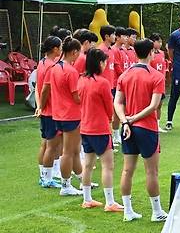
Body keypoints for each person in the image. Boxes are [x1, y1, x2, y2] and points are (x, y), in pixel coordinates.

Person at [114, 38, 168, 222]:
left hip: (127, 128)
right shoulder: (156, 76)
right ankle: (157, 211)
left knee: (127, 170)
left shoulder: (124, 75)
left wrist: (125, 121)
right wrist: (134, 119)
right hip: (146, 128)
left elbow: (118, 102)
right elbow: (154, 106)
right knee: (151, 171)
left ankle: (128, 211)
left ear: (135, 53)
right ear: (151, 52)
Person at [77, 48, 123, 211]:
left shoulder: (81, 80)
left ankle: (87, 198)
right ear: (99, 63)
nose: (105, 65)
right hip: (100, 129)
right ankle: (110, 202)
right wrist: (112, 118)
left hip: (85, 128)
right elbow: (109, 108)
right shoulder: (102, 83)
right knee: (107, 166)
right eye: (104, 62)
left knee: (88, 165)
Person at [46, 37, 84, 196]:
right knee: (68, 151)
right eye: (78, 53)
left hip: (58, 114)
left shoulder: (54, 68)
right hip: (70, 115)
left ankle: (82, 179)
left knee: (73, 150)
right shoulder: (71, 71)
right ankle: (65, 185)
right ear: (74, 52)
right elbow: (76, 97)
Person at [35, 36, 63, 188]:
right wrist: (43, 106)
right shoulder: (52, 66)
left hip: (47, 111)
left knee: (45, 144)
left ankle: (43, 176)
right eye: (60, 47)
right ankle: (47, 178)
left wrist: (40, 106)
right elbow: (45, 89)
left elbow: (39, 89)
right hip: (51, 111)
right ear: (55, 49)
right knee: (51, 146)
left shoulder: (42, 63)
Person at [149, 33, 168, 132]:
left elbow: (164, 66)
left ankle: (157, 124)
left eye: (161, 42)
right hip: (152, 82)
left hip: (161, 82)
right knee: (151, 103)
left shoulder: (162, 53)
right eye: (158, 41)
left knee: (159, 104)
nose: (160, 44)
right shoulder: (149, 54)